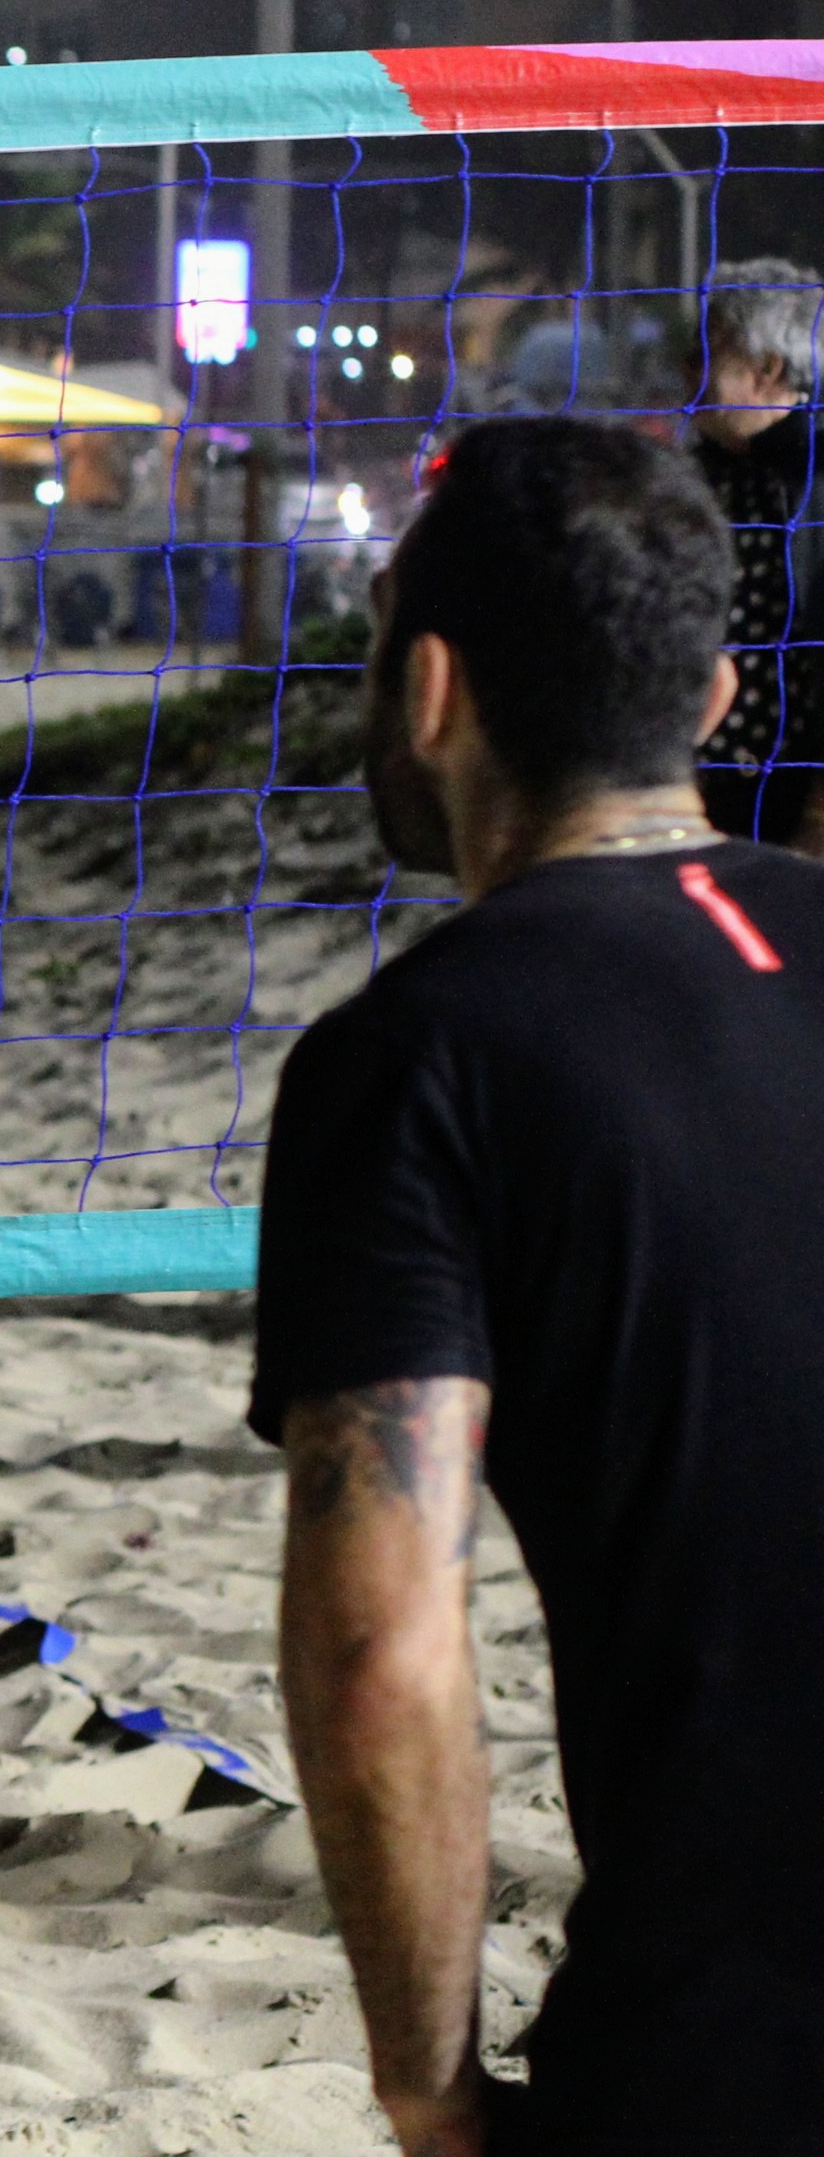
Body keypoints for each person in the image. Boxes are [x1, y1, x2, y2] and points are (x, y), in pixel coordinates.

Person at [258, 415, 824, 2153]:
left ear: (428, 690)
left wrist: (425, 2084)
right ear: (715, 694)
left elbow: (380, 1659)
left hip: (737, 2046)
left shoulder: (414, 1059)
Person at [680, 256, 823, 848]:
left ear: (768, 368)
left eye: (710, 354)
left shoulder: (811, 486)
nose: (688, 371)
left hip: (795, 809)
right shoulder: (686, 479)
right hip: (691, 801)